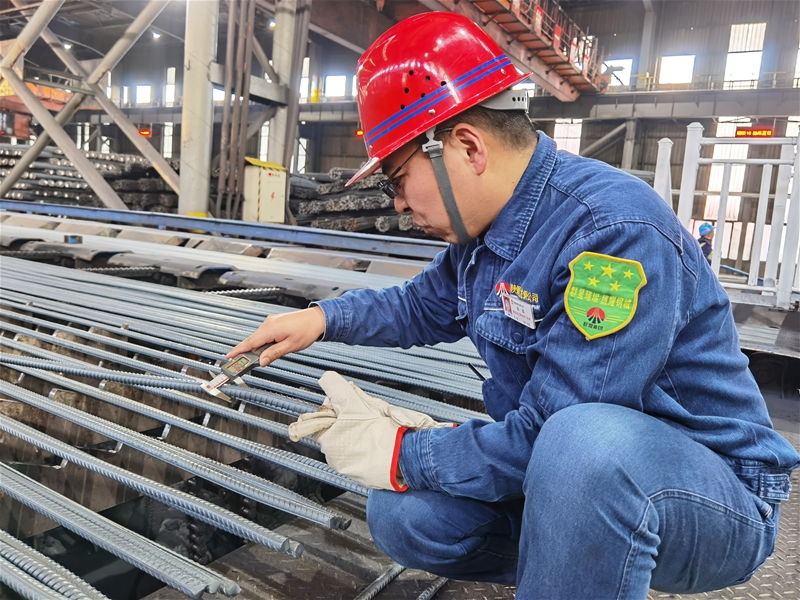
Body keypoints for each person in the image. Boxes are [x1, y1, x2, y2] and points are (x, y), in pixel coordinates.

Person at [227, 13, 799, 599]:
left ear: (466, 146)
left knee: (582, 444)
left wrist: (406, 452)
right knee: (405, 515)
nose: (397, 203)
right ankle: (577, 568)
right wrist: (320, 319)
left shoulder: (611, 232)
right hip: (569, 472)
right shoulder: (485, 236)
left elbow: (562, 429)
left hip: (708, 491)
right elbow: (420, 306)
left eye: (398, 178)